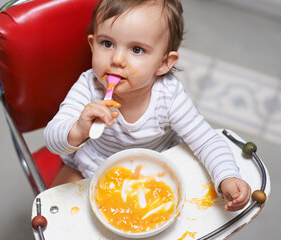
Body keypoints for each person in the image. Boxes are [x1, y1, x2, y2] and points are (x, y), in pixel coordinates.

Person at [44, 0, 250, 211]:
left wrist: (227, 176)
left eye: (136, 49)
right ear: (92, 44)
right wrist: (78, 129)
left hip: (157, 170)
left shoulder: (169, 97)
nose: (116, 59)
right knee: (57, 212)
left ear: (163, 63)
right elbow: (52, 139)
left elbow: (206, 142)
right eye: (107, 43)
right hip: (93, 165)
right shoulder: (88, 88)